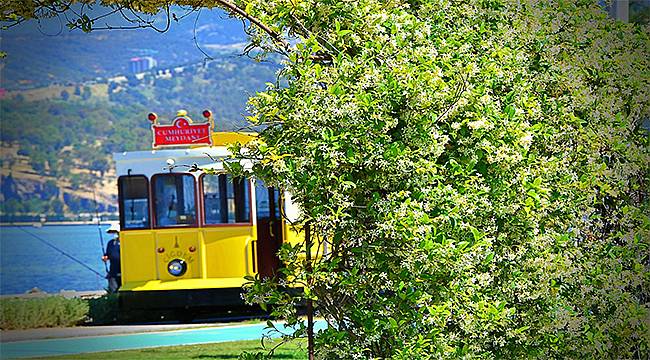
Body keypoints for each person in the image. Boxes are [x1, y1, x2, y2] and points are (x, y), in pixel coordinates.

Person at [102, 222, 121, 293]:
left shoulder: (126, 242)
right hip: (113, 272)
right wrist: (105, 257)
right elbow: (108, 255)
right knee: (113, 291)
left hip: (125, 273)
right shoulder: (111, 243)